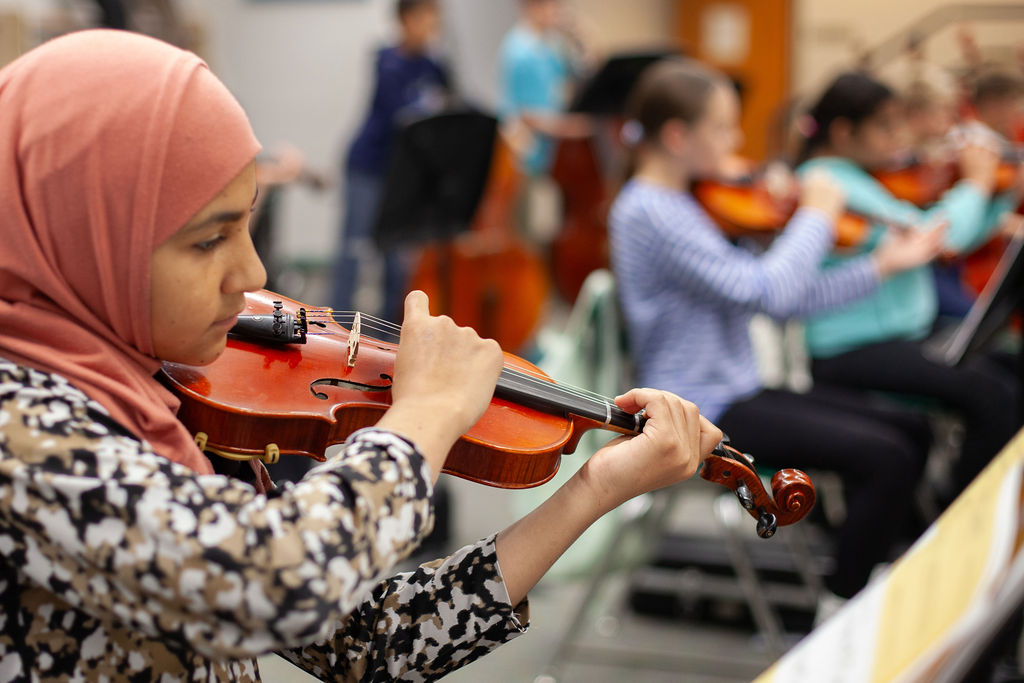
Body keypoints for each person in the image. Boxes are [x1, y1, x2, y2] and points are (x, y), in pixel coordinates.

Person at [0, 30, 722, 680]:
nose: (252, 274)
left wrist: (593, 488)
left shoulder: (163, 386)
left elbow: (365, 645)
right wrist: (423, 417)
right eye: (207, 239)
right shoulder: (23, 432)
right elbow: (277, 587)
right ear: (80, 236)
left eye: (247, 225)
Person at [609, 59, 947, 602]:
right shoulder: (648, 210)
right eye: (722, 126)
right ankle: (842, 606)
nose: (737, 141)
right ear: (677, 136)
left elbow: (782, 301)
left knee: (912, 431)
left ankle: (872, 570)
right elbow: (766, 291)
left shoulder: (691, 203)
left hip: (739, 389)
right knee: (887, 455)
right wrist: (814, 216)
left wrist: (879, 265)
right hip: (699, 407)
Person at [796, 71, 1022, 504]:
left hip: (898, 337)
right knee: (992, 395)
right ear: (844, 132)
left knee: (1011, 369)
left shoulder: (863, 176)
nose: (900, 137)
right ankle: (962, 520)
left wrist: (999, 194)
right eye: (886, 125)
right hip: (849, 349)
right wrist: (975, 182)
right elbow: (931, 237)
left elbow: (954, 239)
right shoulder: (827, 180)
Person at [332, 0, 450, 321]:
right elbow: (401, 115)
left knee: (396, 260)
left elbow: (453, 104)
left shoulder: (433, 66)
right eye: (425, 17)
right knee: (354, 253)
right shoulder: (387, 61)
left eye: (435, 18)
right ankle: (333, 328)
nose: (432, 25)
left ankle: (389, 337)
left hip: (400, 177)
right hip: (367, 168)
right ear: (405, 20)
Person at [497, 0, 592, 177]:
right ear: (532, 7)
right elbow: (527, 115)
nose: (557, 11)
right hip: (528, 154)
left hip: (552, 150)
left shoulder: (551, 43)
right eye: (552, 5)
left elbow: (576, 76)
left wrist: (580, 36)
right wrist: (572, 128)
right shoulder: (519, 51)